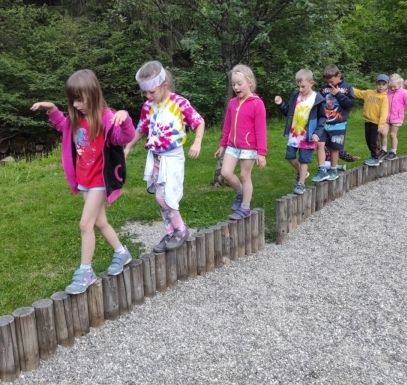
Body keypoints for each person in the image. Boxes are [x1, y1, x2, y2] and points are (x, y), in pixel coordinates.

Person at [30, 69, 135, 294]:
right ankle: (122, 252)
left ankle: (86, 270)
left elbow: (123, 137)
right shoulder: (76, 119)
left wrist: (125, 117)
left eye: (80, 99)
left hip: (99, 180)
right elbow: (62, 125)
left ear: (93, 93)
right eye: (72, 101)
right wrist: (52, 109)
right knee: (99, 222)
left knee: (85, 224)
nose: (76, 105)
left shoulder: (106, 117)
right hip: (84, 180)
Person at [124, 60, 205, 253]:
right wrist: (127, 147)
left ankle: (181, 230)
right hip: (155, 157)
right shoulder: (148, 106)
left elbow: (199, 122)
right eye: (145, 92)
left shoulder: (179, 103)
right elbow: (140, 129)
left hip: (172, 157)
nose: (148, 96)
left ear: (165, 85)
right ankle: (170, 232)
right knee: (159, 197)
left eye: (151, 92)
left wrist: (197, 142)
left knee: (166, 197)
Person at [215, 64, 267, 219]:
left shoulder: (257, 104)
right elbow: (227, 125)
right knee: (225, 173)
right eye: (233, 84)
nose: (236, 87)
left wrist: (261, 153)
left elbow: (261, 130)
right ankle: (240, 192)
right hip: (232, 146)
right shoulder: (232, 103)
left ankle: (245, 207)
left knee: (245, 176)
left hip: (249, 148)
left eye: (239, 83)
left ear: (249, 82)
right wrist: (222, 144)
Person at [274, 69, 326, 195]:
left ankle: (301, 183)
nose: (300, 89)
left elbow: (322, 118)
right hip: (294, 134)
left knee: (304, 160)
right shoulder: (295, 96)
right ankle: (303, 173)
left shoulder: (317, 98)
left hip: (308, 135)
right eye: (298, 87)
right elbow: (288, 113)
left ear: (311, 83)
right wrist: (280, 104)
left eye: (303, 86)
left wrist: (317, 133)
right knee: (290, 156)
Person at [312, 64, 355, 182]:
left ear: (339, 76)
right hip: (323, 123)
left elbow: (350, 104)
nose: (329, 84)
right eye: (327, 81)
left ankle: (333, 169)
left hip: (338, 124)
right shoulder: (324, 89)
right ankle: (321, 170)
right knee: (320, 145)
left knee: (334, 148)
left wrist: (338, 94)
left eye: (331, 81)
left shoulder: (347, 87)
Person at [352, 74, 389, 167]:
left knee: (374, 141)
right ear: (376, 84)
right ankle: (373, 156)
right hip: (368, 121)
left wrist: (381, 125)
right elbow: (358, 92)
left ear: (387, 85)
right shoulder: (369, 93)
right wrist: (347, 87)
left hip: (376, 123)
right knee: (368, 140)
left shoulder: (384, 97)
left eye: (383, 84)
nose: (381, 86)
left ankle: (376, 157)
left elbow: (384, 112)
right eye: (379, 84)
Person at [380, 74, 407, 161]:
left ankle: (393, 152)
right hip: (386, 117)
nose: (392, 88)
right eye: (390, 86)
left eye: (394, 86)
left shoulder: (404, 93)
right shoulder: (386, 92)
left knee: (392, 134)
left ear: (400, 84)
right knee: (383, 133)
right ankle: (383, 150)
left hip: (397, 117)